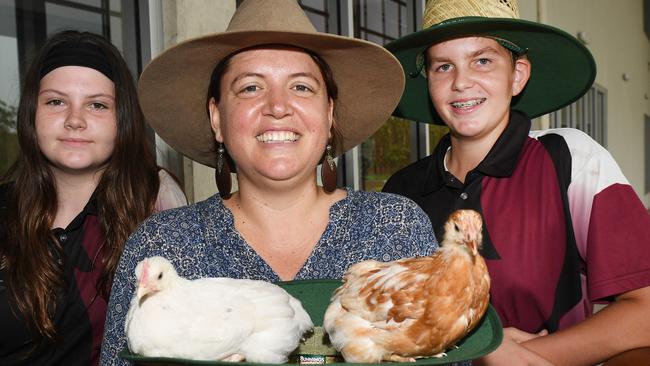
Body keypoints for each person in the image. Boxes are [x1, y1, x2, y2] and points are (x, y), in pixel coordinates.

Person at [99, 0, 439, 364]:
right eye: (250, 88)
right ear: (217, 118)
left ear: (329, 114)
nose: (278, 106)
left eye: (302, 87)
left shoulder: (395, 229)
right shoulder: (163, 245)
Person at [382, 0, 650, 364]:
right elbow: (387, 323)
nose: (461, 82)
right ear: (429, 81)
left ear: (518, 74)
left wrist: (517, 356)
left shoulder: (569, 159)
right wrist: (479, 350)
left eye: (482, 60)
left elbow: (644, 311)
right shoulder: (401, 191)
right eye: (443, 66)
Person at [0, 30, 186, 366]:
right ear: (31, 113)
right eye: (56, 102)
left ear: (122, 118)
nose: (75, 120)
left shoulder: (153, 203)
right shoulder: (4, 210)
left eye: (97, 105)